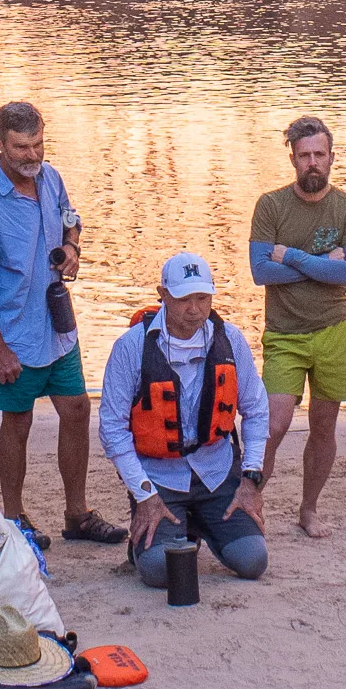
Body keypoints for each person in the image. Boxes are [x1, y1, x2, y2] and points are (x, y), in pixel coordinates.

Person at [0, 101, 126, 549]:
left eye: (38, 145)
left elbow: (72, 219)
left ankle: (77, 514)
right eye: (21, 148)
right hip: (12, 334)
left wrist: (71, 245)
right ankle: (13, 519)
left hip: (57, 327)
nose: (32, 156)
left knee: (77, 411)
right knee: (18, 421)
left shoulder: (51, 178)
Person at [103, 253, 271, 592]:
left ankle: (199, 526)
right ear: (162, 294)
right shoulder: (130, 348)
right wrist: (144, 495)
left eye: (202, 298)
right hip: (160, 478)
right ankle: (162, 533)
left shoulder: (232, 340)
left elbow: (256, 409)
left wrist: (250, 479)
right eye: (183, 299)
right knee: (159, 571)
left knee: (253, 560)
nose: (194, 308)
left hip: (217, 472)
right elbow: (112, 429)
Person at [248, 116, 346, 539]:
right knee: (272, 424)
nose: (312, 163)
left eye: (319, 155)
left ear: (331, 158)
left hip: (334, 330)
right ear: (293, 160)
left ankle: (308, 508)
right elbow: (261, 272)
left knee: (323, 426)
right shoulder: (271, 205)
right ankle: (250, 501)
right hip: (284, 333)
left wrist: (291, 257)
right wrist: (322, 266)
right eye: (304, 156)